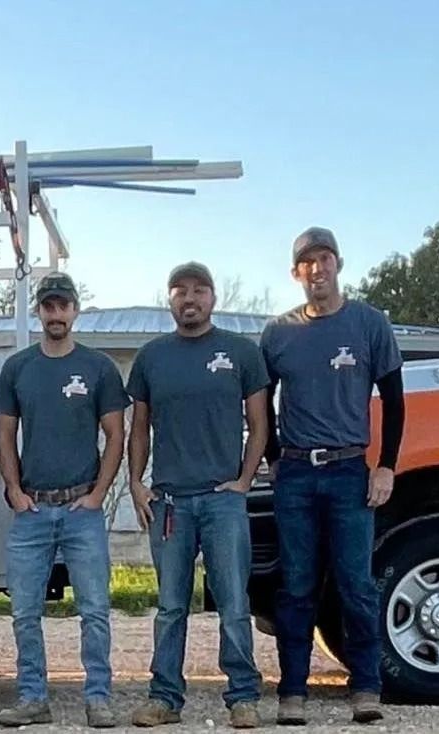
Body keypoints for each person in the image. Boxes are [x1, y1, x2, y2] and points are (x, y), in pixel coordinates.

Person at [260, 227, 405, 726]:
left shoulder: (369, 323)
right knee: (296, 585)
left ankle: (366, 686)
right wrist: (274, 457)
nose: (316, 269)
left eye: (324, 259)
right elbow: (258, 403)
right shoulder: (277, 333)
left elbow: (394, 396)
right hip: (296, 473)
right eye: (307, 262)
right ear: (295, 273)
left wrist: (386, 464)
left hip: (349, 470)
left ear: (338, 264)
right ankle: (292, 691)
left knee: (356, 584)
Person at [126, 262, 269, 730]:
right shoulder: (152, 357)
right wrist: (136, 482)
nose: (190, 298)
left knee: (232, 601)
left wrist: (244, 480)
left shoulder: (240, 352)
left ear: (213, 297)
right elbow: (139, 427)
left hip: (222, 499)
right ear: (169, 300)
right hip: (169, 503)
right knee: (170, 607)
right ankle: (164, 697)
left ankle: (243, 697)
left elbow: (260, 423)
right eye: (179, 291)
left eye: (199, 290)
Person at [0, 272, 129, 728]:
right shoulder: (19, 368)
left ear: (75, 310)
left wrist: (98, 494)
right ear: (40, 311)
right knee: (25, 612)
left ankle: (98, 698)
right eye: (48, 306)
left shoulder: (99, 368)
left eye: (62, 305)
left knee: (94, 609)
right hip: (32, 509)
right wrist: (13, 489)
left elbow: (115, 435)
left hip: (80, 511)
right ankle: (33, 697)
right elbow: (6, 435)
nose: (55, 313)